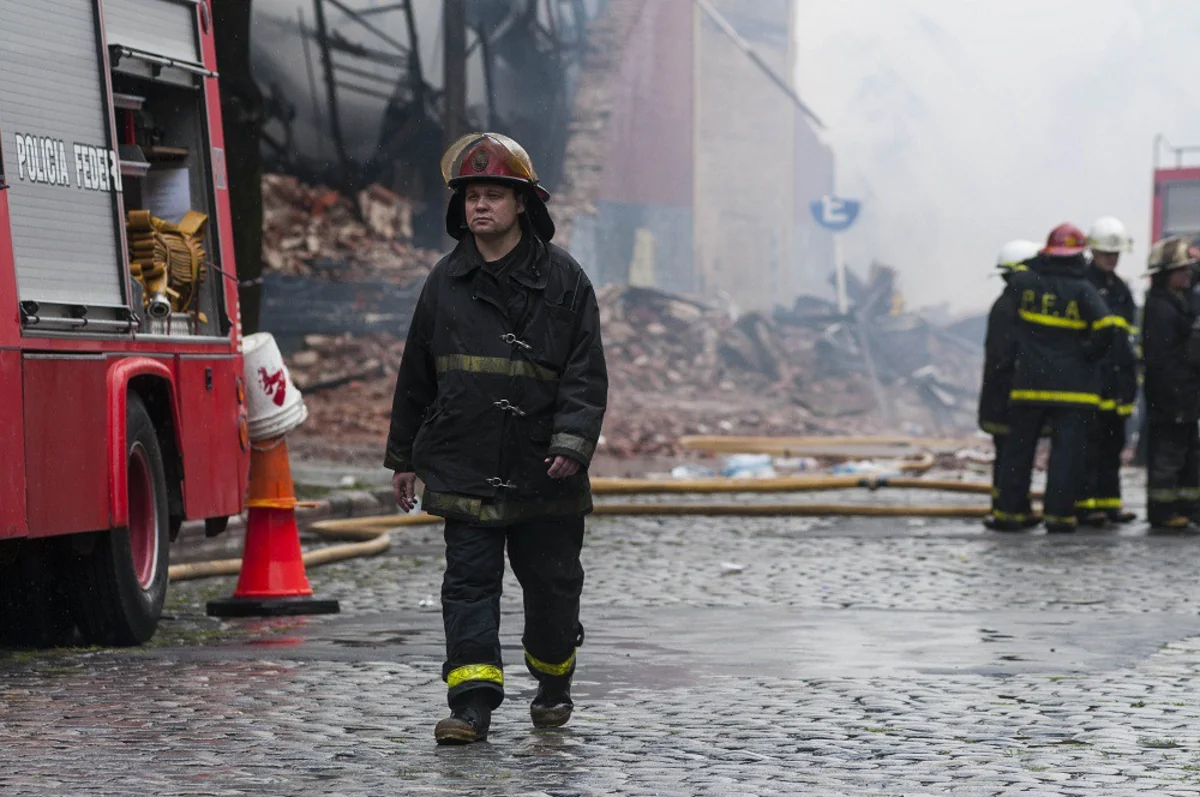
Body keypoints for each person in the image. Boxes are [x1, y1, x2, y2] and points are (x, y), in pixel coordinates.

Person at [385, 132, 608, 744]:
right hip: (464, 462)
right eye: (472, 196)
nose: (480, 206)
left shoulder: (566, 281)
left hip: (546, 471)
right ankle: (471, 706)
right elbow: (416, 374)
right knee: (467, 586)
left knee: (553, 589)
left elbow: (586, 373)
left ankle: (554, 682)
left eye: (494, 196)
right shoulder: (444, 280)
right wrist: (404, 457)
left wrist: (571, 444)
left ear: (522, 205)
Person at [991, 223, 1115, 533]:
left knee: (1018, 452)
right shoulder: (1083, 290)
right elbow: (1106, 327)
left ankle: (1010, 514)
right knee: (1065, 455)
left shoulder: (1023, 284)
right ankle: (1058, 516)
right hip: (1073, 390)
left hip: (1029, 384)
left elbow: (1006, 324)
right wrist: (1087, 355)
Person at [1078, 217, 1139, 526]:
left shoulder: (1121, 289)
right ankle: (1087, 506)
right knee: (1091, 445)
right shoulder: (1084, 284)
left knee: (1113, 446)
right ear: (1093, 252)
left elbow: (1130, 338)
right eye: (1107, 254)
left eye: (1115, 254)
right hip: (1093, 381)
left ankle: (1110, 503)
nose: (1112, 259)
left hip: (1117, 382)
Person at [979, 239, 1041, 528]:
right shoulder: (1010, 308)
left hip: (1004, 397)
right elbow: (1003, 360)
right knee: (1010, 457)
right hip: (1007, 398)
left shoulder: (1009, 305)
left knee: (1013, 457)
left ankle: (1015, 506)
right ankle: (1007, 509)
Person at [1141, 237, 1200, 531]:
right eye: (1182, 270)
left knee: (1189, 456)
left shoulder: (1175, 303)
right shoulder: (1160, 310)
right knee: (1168, 457)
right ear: (1167, 274)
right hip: (1171, 399)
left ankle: (1188, 509)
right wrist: (1173, 401)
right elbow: (1162, 364)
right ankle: (1163, 512)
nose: (1188, 274)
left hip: (1185, 397)